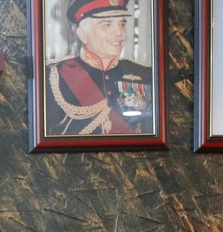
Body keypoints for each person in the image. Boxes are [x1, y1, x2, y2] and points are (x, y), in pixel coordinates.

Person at [44, 0, 154, 136]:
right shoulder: (53, 76)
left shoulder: (146, 74)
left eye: (122, 24)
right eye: (107, 24)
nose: (119, 32)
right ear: (82, 34)